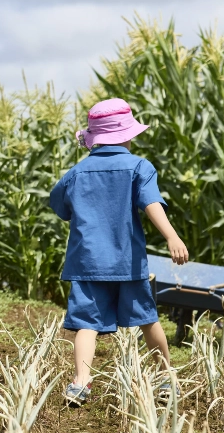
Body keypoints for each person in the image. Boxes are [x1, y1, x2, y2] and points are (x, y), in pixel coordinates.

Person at [49, 98, 190, 407]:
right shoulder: (139, 166)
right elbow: (151, 204)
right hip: (127, 262)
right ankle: (166, 378)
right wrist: (172, 236)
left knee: (86, 324)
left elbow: (60, 206)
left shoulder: (76, 173)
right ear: (127, 136)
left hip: (87, 262)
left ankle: (81, 382)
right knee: (147, 319)